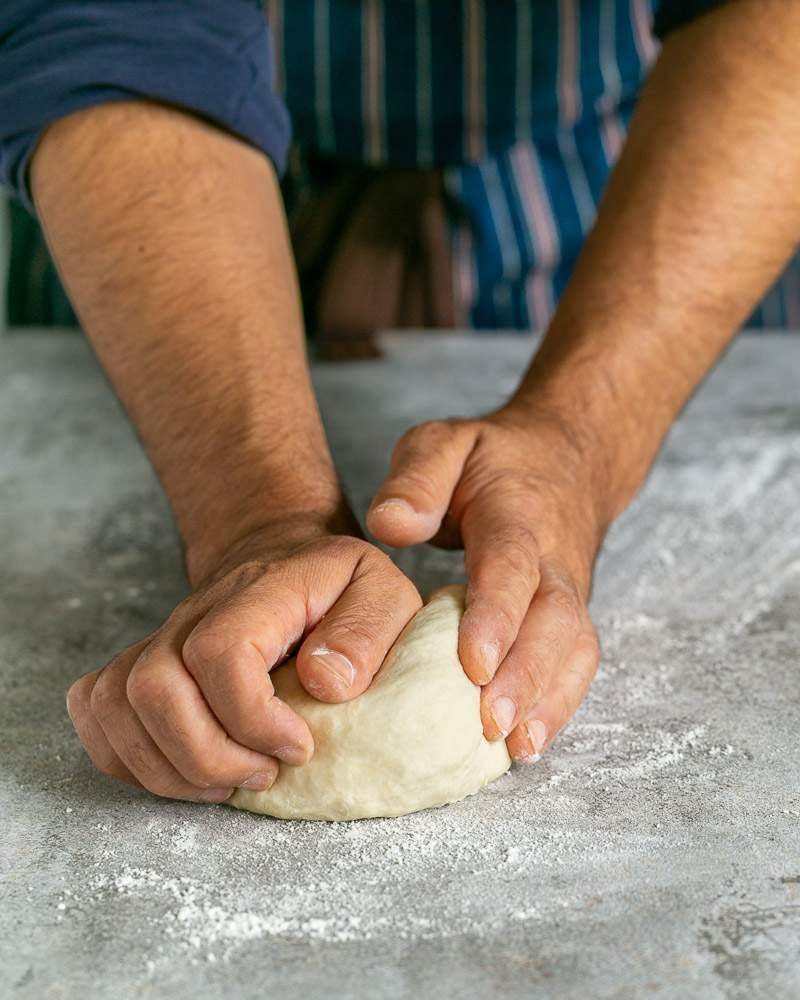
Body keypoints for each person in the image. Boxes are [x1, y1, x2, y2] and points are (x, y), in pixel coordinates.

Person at [2, 0, 798, 804]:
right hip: (145, 215)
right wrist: (257, 516)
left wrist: (581, 438)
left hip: (642, 190)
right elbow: (123, 27)